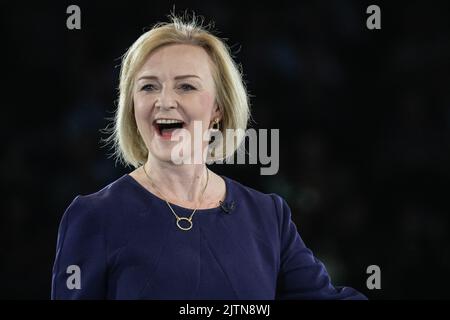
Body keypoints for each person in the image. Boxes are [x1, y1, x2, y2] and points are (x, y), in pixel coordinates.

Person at [51, 14, 367, 300]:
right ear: (132, 107)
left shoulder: (267, 216)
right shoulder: (94, 217)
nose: (164, 101)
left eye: (186, 86)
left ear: (217, 108)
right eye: (148, 87)